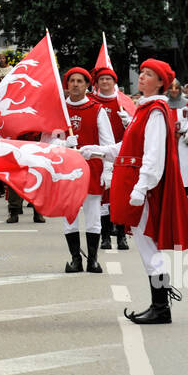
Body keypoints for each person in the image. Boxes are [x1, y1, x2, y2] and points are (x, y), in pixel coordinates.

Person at [84, 59, 188, 325]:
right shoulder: (144, 110)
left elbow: (154, 156)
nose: (142, 77)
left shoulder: (155, 111)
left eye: (149, 74)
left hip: (144, 190)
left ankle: (161, 307)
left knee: (148, 246)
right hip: (140, 187)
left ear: (160, 83)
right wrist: (98, 150)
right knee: (147, 246)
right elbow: (128, 145)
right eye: (142, 73)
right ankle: (160, 305)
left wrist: (142, 187)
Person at [60, 67, 114, 273]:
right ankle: (75, 259)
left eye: (80, 81)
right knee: (70, 215)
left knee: (93, 214)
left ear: (87, 85)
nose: (75, 84)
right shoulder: (60, 110)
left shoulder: (97, 109)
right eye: (72, 80)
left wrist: (108, 170)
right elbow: (48, 141)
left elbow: (108, 142)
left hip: (92, 168)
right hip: (66, 169)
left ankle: (93, 259)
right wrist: (63, 143)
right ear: (67, 84)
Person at [93, 67, 130, 248]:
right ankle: (105, 237)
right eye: (102, 79)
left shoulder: (123, 102)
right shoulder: (93, 102)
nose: (105, 82)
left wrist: (129, 122)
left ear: (114, 82)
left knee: (121, 197)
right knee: (104, 198)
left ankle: (122, 236)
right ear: (97, 83)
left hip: (121, 155)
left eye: (108, 79)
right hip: (101, 155)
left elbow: (137, 131)